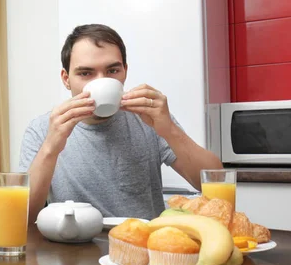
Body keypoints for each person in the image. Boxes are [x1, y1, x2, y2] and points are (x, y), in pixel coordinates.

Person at [19, 24, 222, 223]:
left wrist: (170, 130)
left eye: (112, 71)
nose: (100, 81)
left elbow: (216, 184)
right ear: (66, 79)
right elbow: (24, 216)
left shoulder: (149, 118)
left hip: (140, 247)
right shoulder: (42, 129)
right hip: (71, 250)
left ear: (125, 71)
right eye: (85, 73)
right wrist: (50, 148)